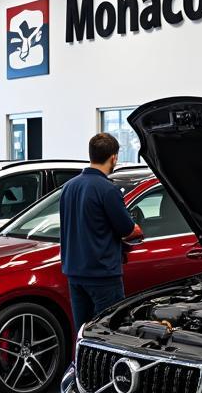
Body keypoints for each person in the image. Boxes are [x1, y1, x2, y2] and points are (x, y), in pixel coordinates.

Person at [59, 133, 143, 329]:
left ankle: (81, 361)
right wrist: (135, 228)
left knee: (83, 330)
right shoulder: (107, 189)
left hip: (74, 273)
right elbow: (127, 230)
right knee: (108, 331)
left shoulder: (68, 187)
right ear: (114, 157)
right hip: (102, 275)